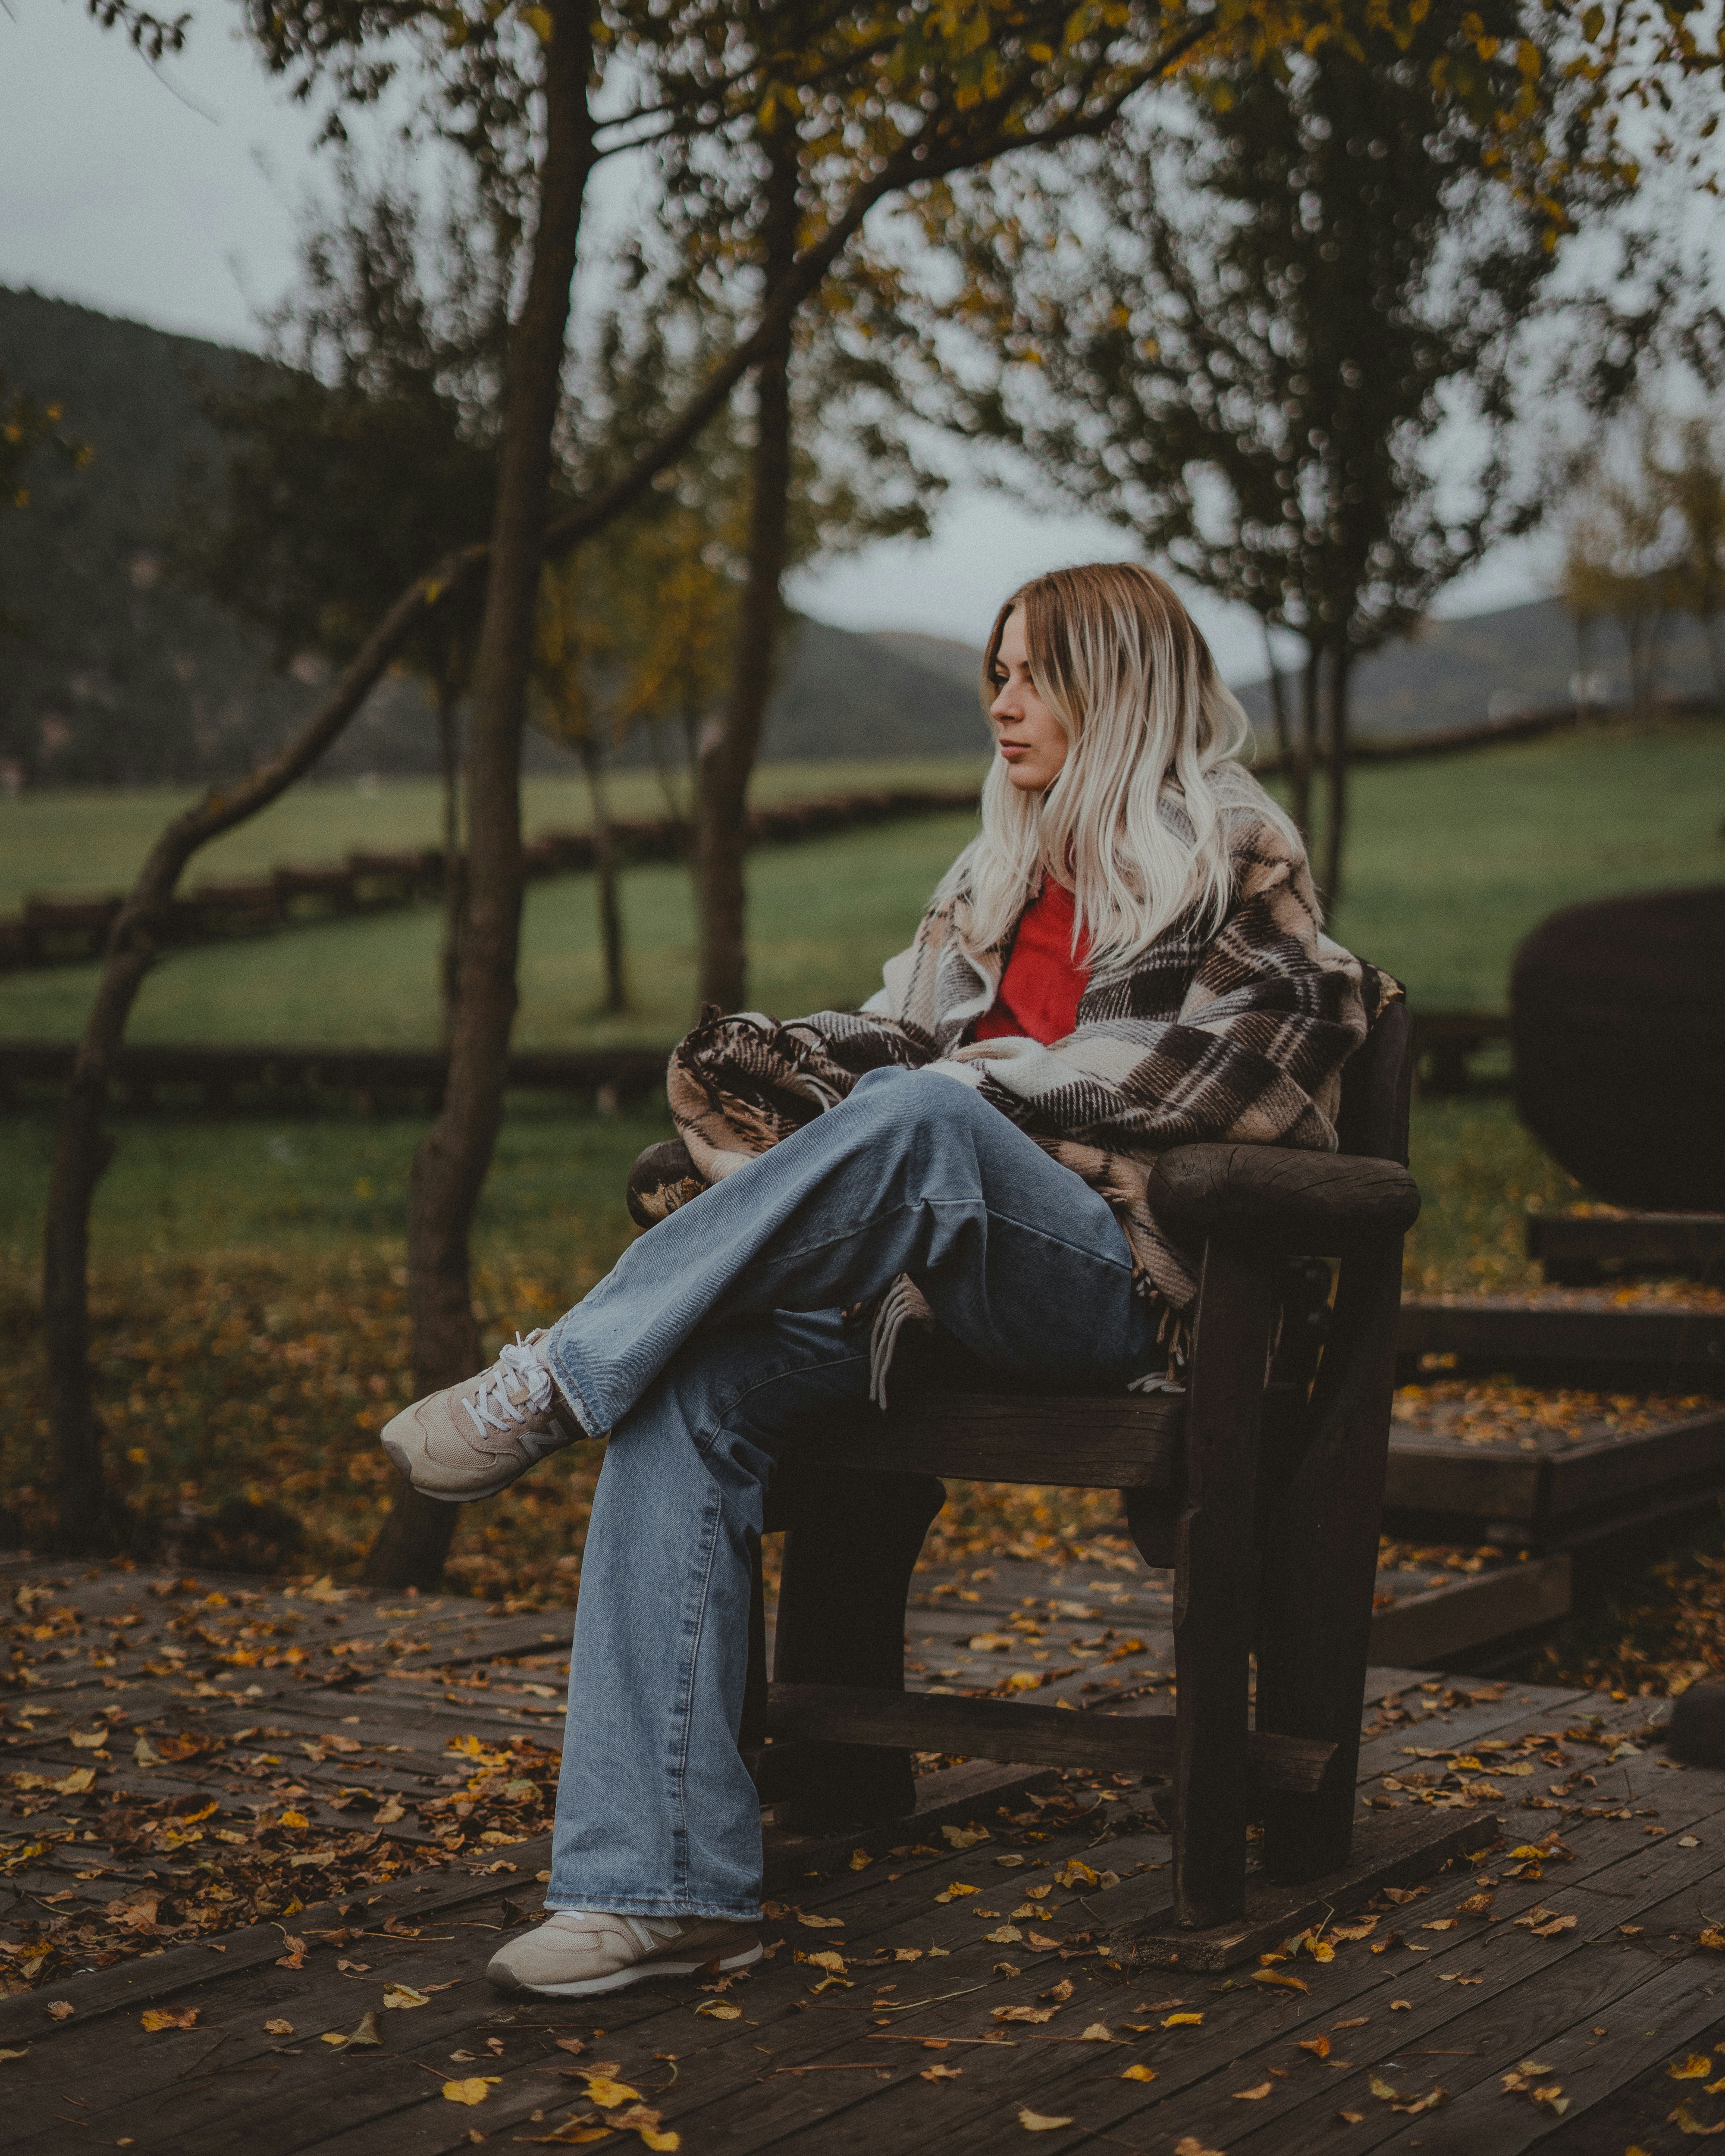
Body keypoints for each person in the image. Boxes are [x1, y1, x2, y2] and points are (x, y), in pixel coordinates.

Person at [380, 561, 1386, 2000]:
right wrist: (798, 1062)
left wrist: (987, 1087)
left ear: (1123, 684)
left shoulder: (1229, 853)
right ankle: (659, 1891)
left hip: (1110, 1296)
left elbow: (1288, 1038)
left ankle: (553, 1376)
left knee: (929, 1121)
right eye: (995, 668)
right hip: (922, 1305)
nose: (1003, 697)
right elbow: (890, 1050)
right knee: (691, 1393)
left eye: (1035, 670)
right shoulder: (987, 878)